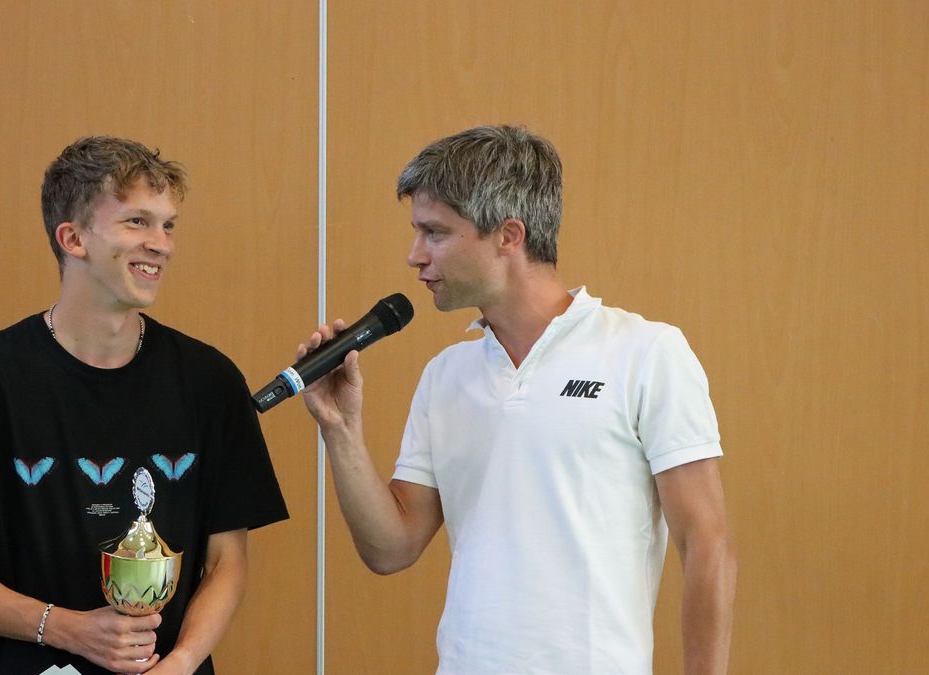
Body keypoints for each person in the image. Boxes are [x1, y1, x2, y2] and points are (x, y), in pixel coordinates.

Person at [299, 125, 736, 674]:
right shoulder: (446, 375)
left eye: (435, 232)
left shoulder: (646, 353)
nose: (414, 256)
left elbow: (707, 545)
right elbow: (390, 549)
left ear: (508, 235)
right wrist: (340, 429)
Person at [0, 136, 288, 675]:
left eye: (168, 226)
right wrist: (66, 628)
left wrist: (183, 662)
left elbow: (226, 564)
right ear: (73, 238)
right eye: (137, 222)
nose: (161, 245)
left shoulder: (210, 381)